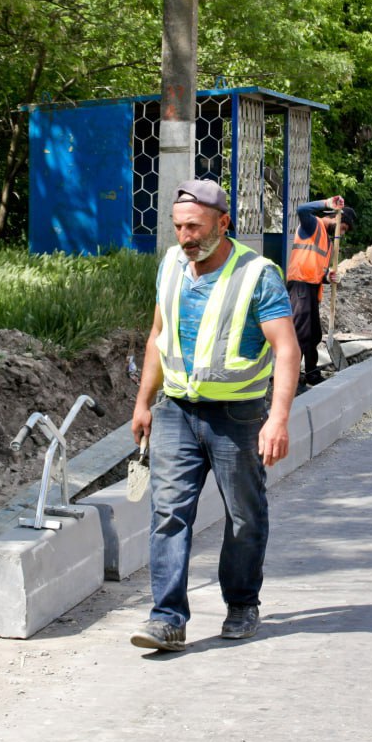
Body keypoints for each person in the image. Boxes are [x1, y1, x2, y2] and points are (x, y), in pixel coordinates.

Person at [129, 179, 300, 651]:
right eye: (179, 227)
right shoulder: (170, 264)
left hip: (238, 416)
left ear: (223, 224)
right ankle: (167, 619)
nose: (185, 237)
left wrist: (278, 418)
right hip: (176, 411)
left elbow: (286, 349)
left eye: (195, 228)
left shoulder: (257, 274)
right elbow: (157, 336)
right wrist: (144, 402)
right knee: (168, 513)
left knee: (243, 515)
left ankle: (242, 603)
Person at [286, 196, 356, 388]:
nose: (342, 233)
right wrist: (326, 203)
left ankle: (311, 374)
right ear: (336, 217)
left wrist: (328, 278)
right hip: (300, 285)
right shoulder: (313, 225)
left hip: (311, 289)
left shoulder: (329, 242)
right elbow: (301, 209)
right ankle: (290, 378)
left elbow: (319, 270)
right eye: (343, 228)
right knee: (301, 334)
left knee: (313, 334)